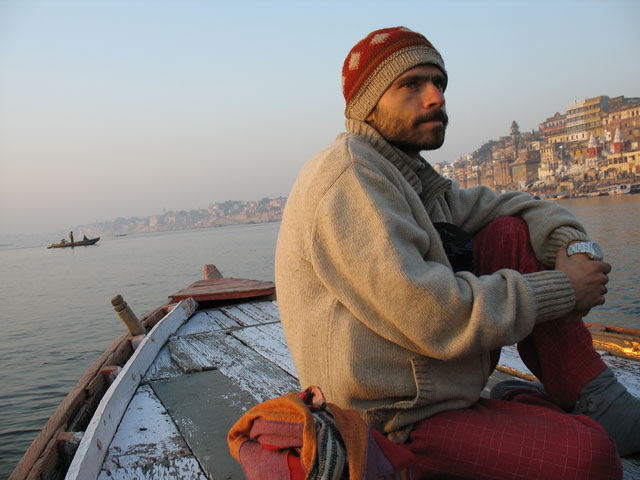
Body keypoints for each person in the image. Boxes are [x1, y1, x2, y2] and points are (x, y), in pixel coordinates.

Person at [275, 26, 639, 479]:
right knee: (592, 460)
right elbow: (431, 314)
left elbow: (516, 206)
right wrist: (563, 288)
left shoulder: (412, 179)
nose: (435, 98)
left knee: (509, 233)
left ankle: (590, 394)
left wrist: (575, 248)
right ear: (368, 105)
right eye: (411, 85)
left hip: (441, 389)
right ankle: (524, 404)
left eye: (439, 83)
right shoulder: (350, 178)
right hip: (390, 420)